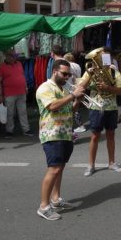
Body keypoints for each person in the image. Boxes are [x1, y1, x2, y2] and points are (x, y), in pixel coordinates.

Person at [35, 59, 84, 221]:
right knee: (54, 169)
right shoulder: (45, 88)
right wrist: (72, 95)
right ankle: (44, 206)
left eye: (69, 74)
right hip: (52, 134)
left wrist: (77, 99)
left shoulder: (63, 89)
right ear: (55, 71)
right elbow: (53, 106)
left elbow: (69, 109)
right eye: (64, 74)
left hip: (65, 133)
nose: (67, 77)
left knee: (60, 168)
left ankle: (55, 200)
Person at [81, 48, 121, 177]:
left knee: (111, 135)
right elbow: (81, 88)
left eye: (105, 56)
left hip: (111, 107)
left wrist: (107, 88)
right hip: (96, 107)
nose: (103, 59)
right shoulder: (90, 71)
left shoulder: (113, 71)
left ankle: (112, 162)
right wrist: (89, 75)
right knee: (95, 136)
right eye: (101, 57)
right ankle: (91, 165)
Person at [0, 49, 33, 138]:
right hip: (9, 94)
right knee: (10, 113)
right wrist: (0, 95)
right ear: (7, 56)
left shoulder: (19, 64)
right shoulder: (1, 67)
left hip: (21, 92)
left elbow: (22, 76)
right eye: (13, 56)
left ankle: (26, 129)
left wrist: (26, 87)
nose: (15, 57)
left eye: (15, 55)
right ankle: (9, 131)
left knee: (23, 112)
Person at [63, 53, 83, 133]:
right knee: (76, 106)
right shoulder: (77, 65)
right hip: (77, 86)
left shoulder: (68, 65)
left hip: (69, 87)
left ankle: (71, 126)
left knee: (69, 108)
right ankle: (80, 125)